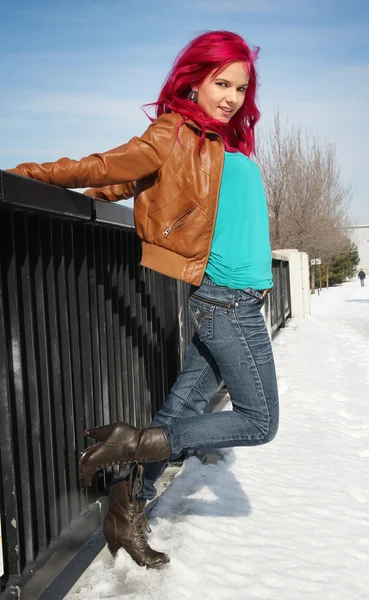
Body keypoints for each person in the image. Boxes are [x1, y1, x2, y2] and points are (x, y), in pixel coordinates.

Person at [7, 31, 279, 569]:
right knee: (259, 420)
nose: (230, 97)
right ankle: (131, 443)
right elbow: (110, 168)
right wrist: (27, 179)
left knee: (180, 408)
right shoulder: (174, 131)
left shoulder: (217, 140)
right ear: (194, 80)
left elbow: (146, 182)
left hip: (236, 302)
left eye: (240, 88)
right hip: (226, 302)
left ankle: (127, 509)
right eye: (220, 82)